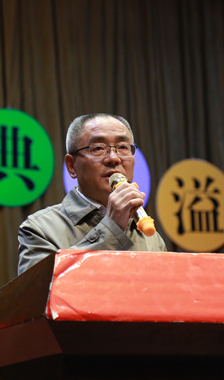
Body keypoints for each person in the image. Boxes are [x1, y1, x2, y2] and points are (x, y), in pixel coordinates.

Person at [17, 113, 167, 275]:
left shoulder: (149, 235)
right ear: (71, 166)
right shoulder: (40, 228)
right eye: (98, 148)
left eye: (123, 147)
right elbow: (41, 288)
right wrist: (112, 227)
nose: (113, 158)